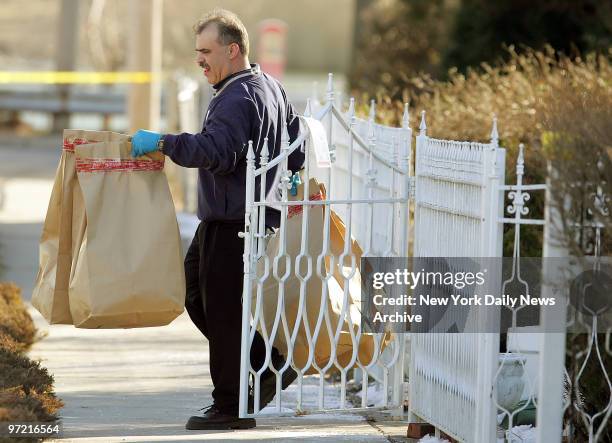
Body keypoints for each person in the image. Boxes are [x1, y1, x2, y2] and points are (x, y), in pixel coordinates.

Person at [130, 8, 301, 431]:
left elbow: (217, 152)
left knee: (222, 312)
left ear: (233, 48)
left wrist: (165, 142)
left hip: (233, 223)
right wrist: (287, 186)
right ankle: (266, 361)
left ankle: (230, 407)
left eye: (206, 51)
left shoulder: (237, 97)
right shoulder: (271, 88)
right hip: (245, 217)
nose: (199, 60)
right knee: (196, 293)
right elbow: (297, 143)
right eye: (197, 52)